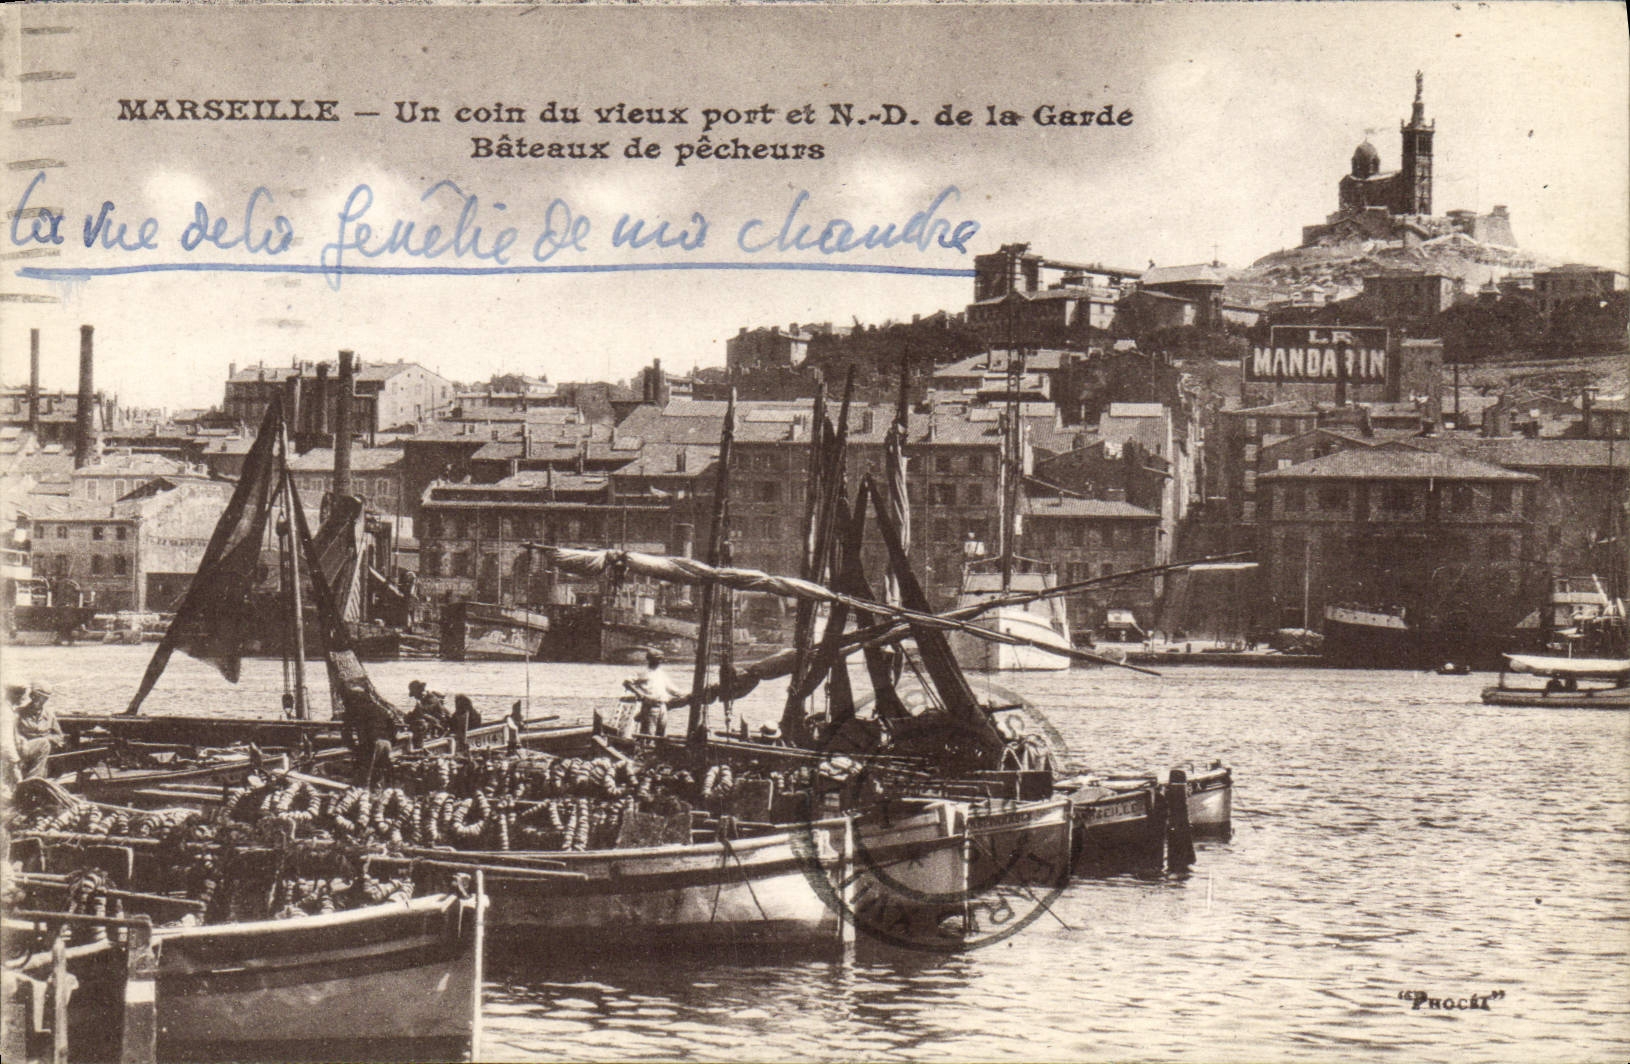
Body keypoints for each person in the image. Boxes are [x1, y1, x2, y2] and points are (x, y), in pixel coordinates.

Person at [12, 681, 64, 781]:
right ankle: (32, 783)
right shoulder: (19, 713)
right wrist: (20, 739)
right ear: (32, 696)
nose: (40, 701)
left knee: (44, 744)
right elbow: (12, 733)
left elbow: (59, 736)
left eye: (44, 699)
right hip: (24, 750)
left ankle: (33, 782)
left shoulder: (49, 715)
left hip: (42, 756)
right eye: (38, 697)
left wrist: (47, 739)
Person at [623, 650, 674, 736]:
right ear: (650, 659)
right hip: (650, 707)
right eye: (657, 659)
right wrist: (640, 694)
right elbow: (627, 682)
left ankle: (658, 749)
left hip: (662, 706)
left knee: (661, 732)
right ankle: (645, 748)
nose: (660, 661)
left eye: (661, 659)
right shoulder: (643, 672)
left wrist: (686, 694)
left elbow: (671, 688)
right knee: (648, 733)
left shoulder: (661, 673)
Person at [405, 680, 449, 747]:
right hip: (431, 724)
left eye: (415, 695)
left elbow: (425, 711)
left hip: (440, 726)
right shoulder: (422, 700)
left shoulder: (431, 699)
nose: (415, 697)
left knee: (421, 723)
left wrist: (418, 708)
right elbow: (416, 714)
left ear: (420, 692)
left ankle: (419, 744)